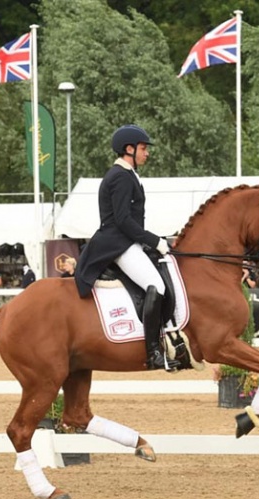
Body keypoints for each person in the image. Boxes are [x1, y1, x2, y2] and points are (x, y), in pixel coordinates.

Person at [74, 124, 176, 370]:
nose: (147, 153)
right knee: (157, 286)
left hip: (127, 241)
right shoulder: (120, 176)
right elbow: (123, 220)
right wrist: (155, 241)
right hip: (117, 244)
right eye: (143, 148)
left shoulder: (128, 174)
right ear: (128, 149)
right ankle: (152, 351)